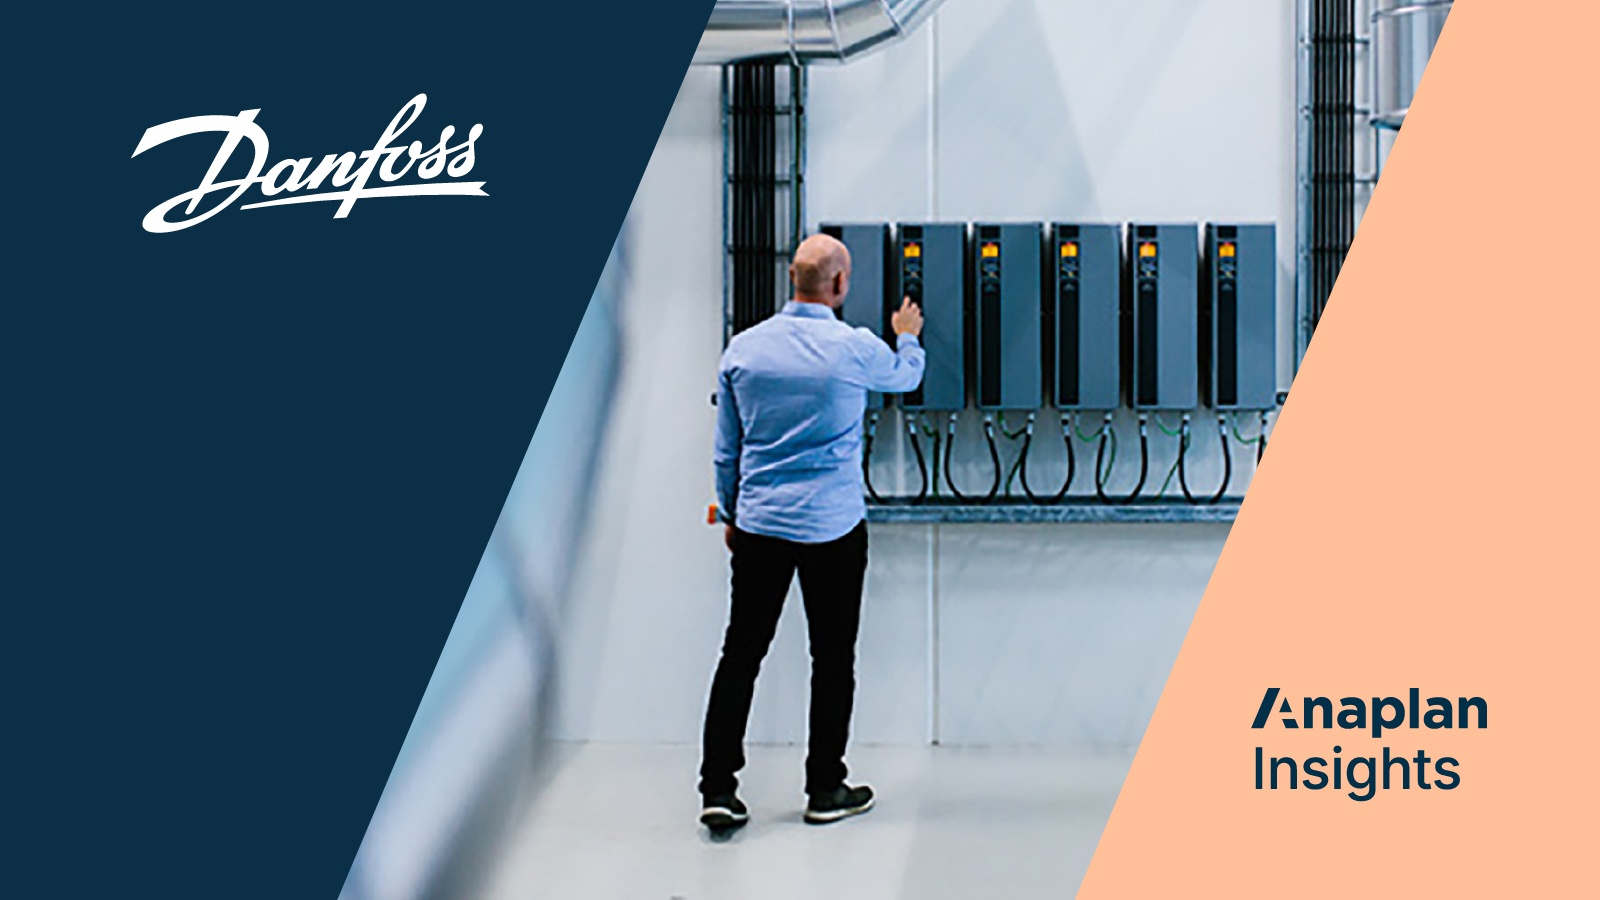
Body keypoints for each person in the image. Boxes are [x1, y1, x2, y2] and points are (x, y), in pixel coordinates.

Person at [700, 233, 925, 832]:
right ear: (841, 285)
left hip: (762, 525)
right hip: (833, 527)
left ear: (791, 280)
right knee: (832, 658)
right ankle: (825, 787)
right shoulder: (852, 348)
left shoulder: (744, 351)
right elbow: (905, 378)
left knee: (740, 655)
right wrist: (907, 333)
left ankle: (718, 789)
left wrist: (732, 514)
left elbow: (728, 451)